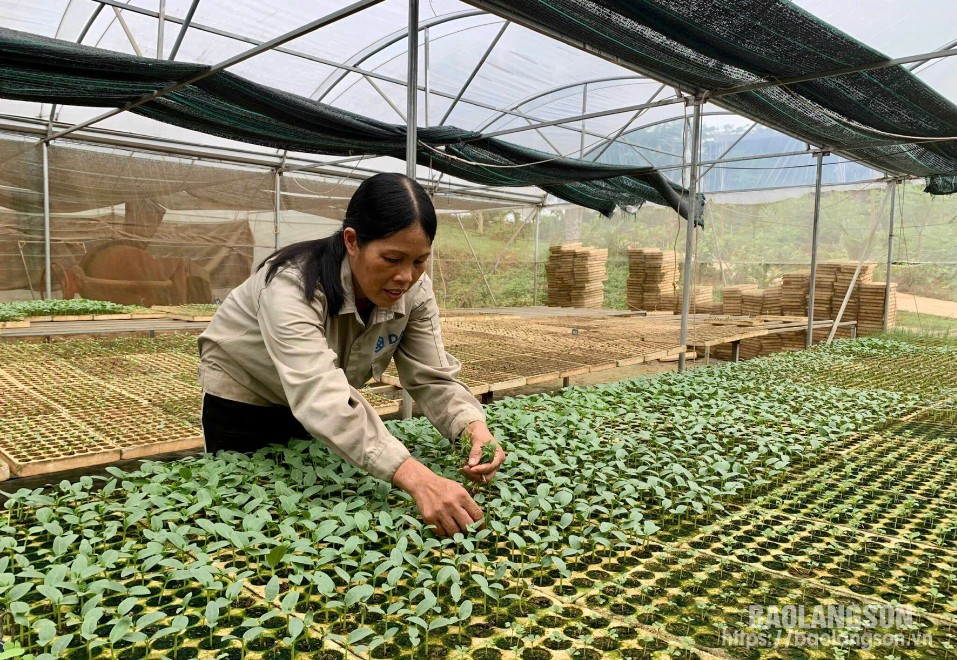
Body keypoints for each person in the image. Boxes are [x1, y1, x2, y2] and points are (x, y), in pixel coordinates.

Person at [197, 172, 506, 537]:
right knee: (247, 514)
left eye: (420, 261)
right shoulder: (291, 284)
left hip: (322, 407)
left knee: (312, 507)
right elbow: (319, 393)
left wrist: (472, 427)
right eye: (392, 258)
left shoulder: (415, 292)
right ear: (352, 241)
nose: (406, 277)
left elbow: (431, 375)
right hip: (246, 399)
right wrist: (418, 479)